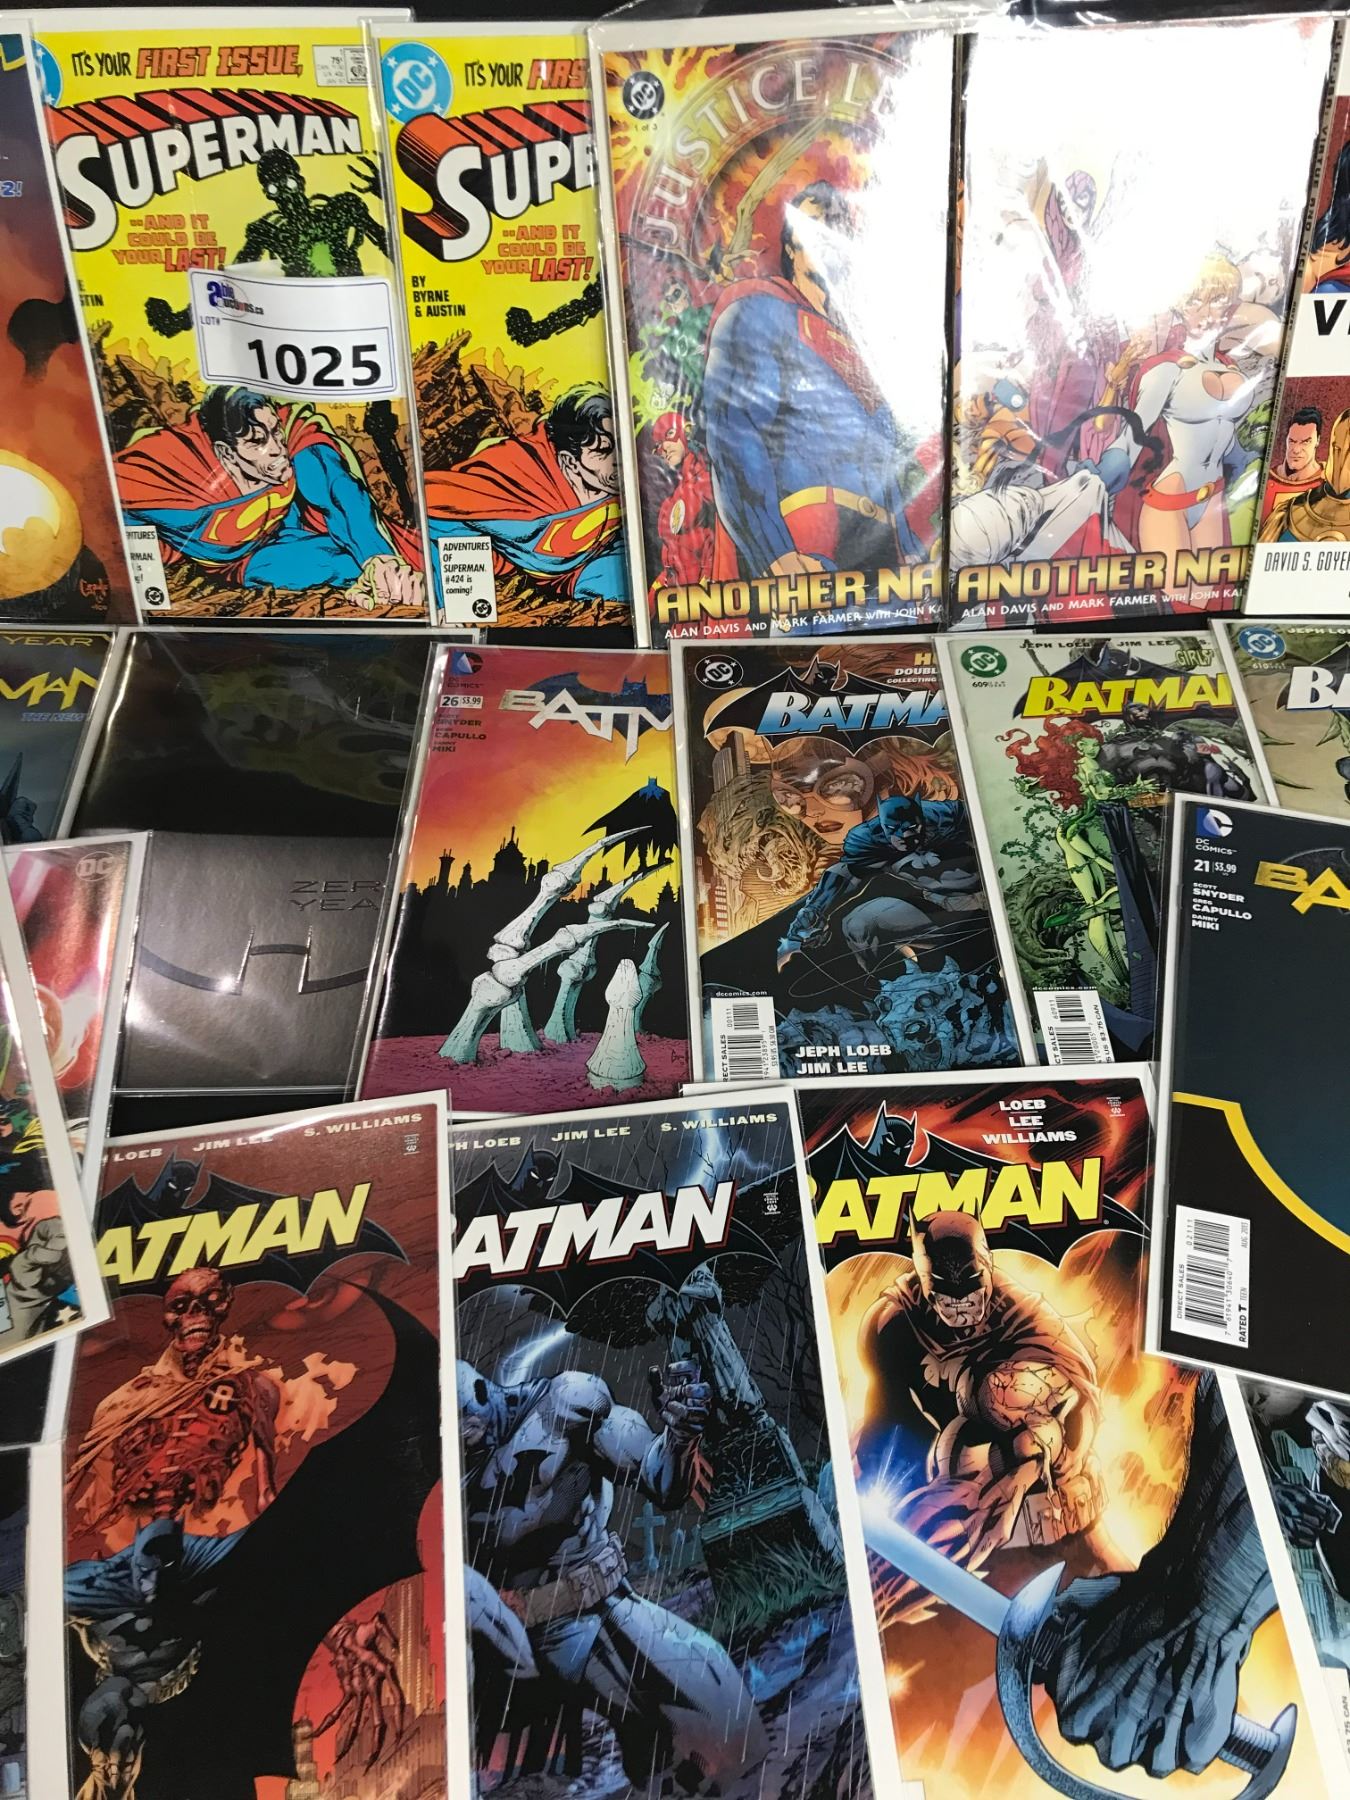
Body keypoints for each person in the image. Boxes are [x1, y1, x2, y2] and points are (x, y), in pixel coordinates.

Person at [702, 180, 923, 584]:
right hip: (805, 539)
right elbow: (734, 434)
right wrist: (775, 553)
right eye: (813, 226)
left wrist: (908, 548)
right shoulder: (760, 312)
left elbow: (885, 465)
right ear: (791, 246)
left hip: (881, 549)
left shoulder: (864, 344)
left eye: (836, 228)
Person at [116, 386, 423, 606]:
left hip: (291, 529)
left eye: (275, 432)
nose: (277, 449)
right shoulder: (171, 467)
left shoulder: (292, 431)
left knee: (399, 563)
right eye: (257, 442)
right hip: (244, 562)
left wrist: (378, 558)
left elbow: (337, 492)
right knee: (333, 565)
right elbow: (113, 508)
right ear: (226, 453)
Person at [425, 384, 626, 608]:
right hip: (538, 571)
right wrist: (481, 570)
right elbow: (438, 503)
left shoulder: (624, 479)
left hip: (594, 563)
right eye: (603, 450)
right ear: (570, 462)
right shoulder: (523, 479)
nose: (618, 459)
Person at [1262, 404, 1324, 520]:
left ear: (1317, 440)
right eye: (1292, 441)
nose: (1296, 450)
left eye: (1305, 442)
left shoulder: (1329, 483)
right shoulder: (1267, 478)